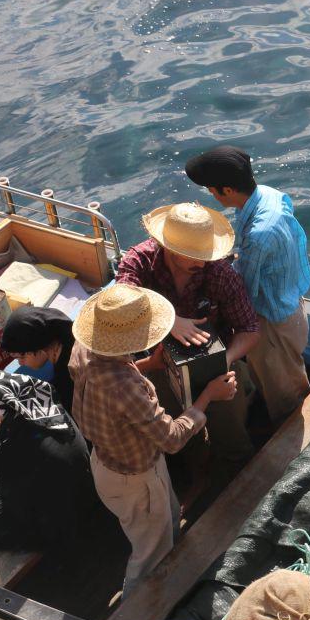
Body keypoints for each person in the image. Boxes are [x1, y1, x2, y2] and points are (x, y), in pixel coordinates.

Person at [69, 284, 238, 595]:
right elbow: (171, 439)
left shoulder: (83, 348)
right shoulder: (124, 387)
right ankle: (133, 617)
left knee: (166, 521)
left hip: (107, 464)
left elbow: (109, 383)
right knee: (149, 555)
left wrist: (150, 364)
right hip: (136, 481)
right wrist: (207, 398)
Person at [114, 202, 260, 486]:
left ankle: (238, 480)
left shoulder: (219, 273)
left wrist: (224, 360)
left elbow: (250, 330)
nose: (203, 262)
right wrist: (169, 320)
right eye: (194, 256)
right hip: (160, 364)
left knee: (232, 436)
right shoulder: (139, 262)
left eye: (206, 254)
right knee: (173, 433)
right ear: (169, 248)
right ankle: (194, 472)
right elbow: (120, 300)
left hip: (220, 369)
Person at [185, 145, 310, 424]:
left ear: (228, 191)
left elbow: (243, 289)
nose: (211, 195)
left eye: (212, 190)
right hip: (291, 303)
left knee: (287, 397)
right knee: (280, 377)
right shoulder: (270, 195)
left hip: (272, 325)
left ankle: (289, 441)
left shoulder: (259, 234)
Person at [0, 370, 100, 565]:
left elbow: (16, 509)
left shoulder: (9, 448)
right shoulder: (42, 406)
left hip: (55, 523)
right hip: (80, 491)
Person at [0, 306, 75, 406]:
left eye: (22, 357)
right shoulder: (66, 341)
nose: (21, 363)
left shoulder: (69, 375)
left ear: (39, 348)